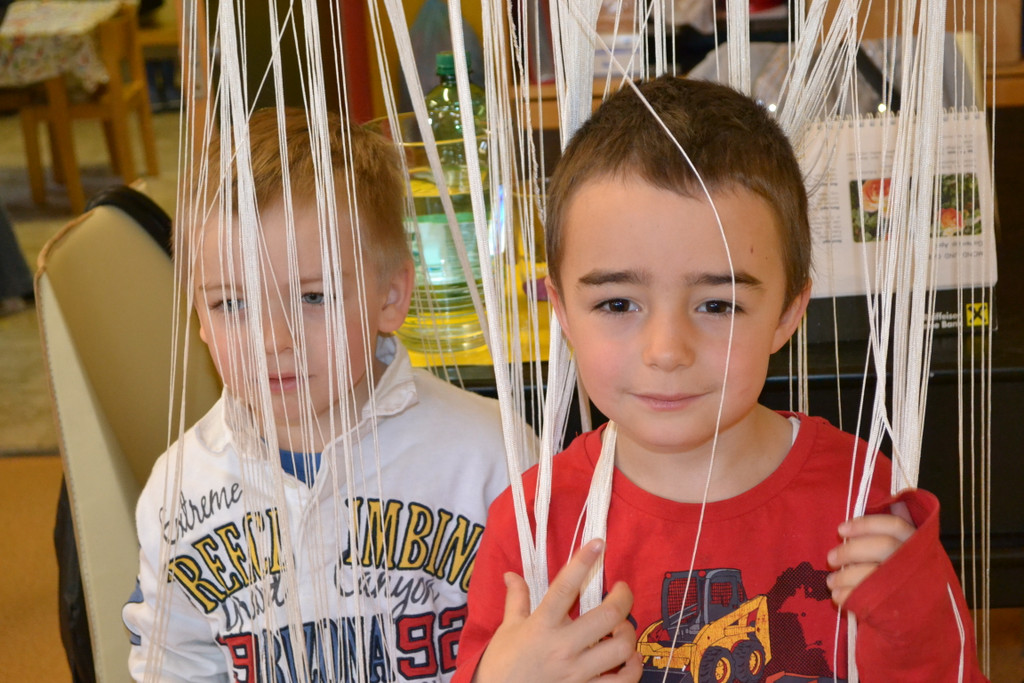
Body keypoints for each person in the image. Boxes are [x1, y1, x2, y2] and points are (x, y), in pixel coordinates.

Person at [455, 77, 986, 682]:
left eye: (717, 305)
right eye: (617, 304)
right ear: (564, 314)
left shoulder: (863, 498)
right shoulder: (532, 523)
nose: (666, 351)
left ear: (786, 313)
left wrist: (918, 622)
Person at [123, 107, 522, 682]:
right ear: (199, 319)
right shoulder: (180, 489)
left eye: (313, 297)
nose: (274, 340)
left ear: (391, 296)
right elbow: (175, 663)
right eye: (231, 303)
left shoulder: (493, 459)